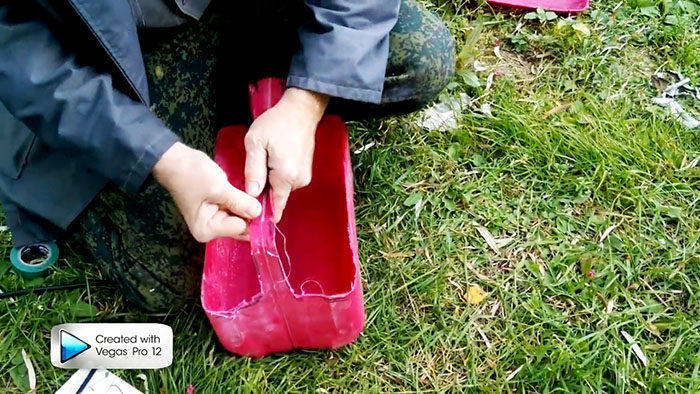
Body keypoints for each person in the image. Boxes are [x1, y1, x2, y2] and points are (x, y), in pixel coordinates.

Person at [0, 0, 454, 311]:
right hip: (92, 64)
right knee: (167, 278)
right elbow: (28, 63)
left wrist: (306, 100)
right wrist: (163, 157)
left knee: (419, 57)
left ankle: (252, 91)